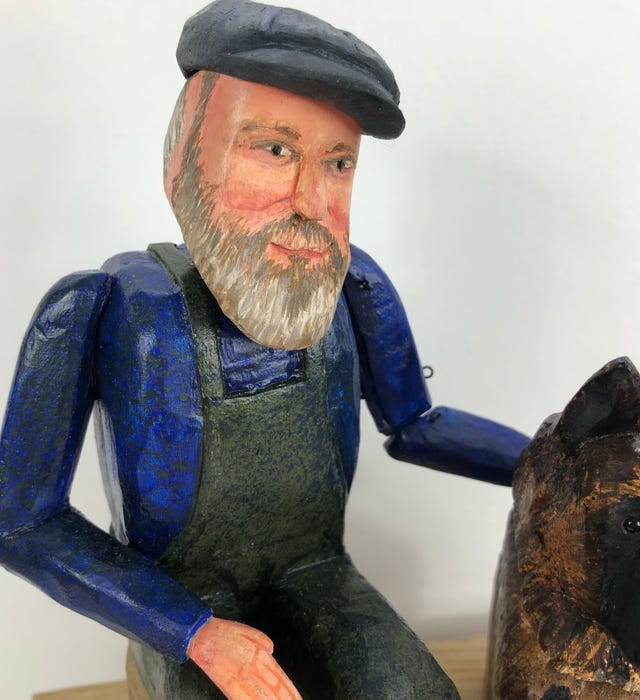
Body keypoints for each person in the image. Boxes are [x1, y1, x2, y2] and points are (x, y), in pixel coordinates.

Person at [0, 1, 528, 698]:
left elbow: (413, 425)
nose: (310, 199)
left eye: (338, 162)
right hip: (177, 601)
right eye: (274, 150)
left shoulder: (353, 287)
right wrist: (191, 631)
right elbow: (22, 521)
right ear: (184, 156)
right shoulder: (98, 310)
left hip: (316, 573)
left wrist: (549, 462)